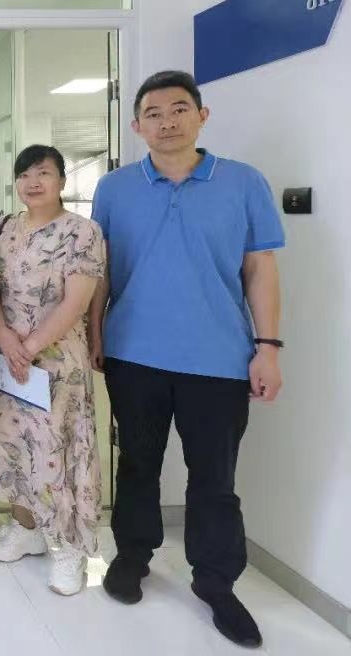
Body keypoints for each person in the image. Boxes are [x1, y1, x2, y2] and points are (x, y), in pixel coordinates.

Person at [90, 70, 284, 648]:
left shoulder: (242, 182)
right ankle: (132, 556)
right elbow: (101, 270)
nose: (167, 122)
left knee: (214, 479)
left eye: (179, 109)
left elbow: (260, 269)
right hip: (133, 355)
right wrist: (96, 333)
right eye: (153, 113)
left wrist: (268, 348)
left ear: (202, 116)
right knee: (137, 464)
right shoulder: (115, 188)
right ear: (136, 126)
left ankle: (216, 581)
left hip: (219, 358)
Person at [0, 144, 105, 596]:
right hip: (12, 360)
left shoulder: (82, 231)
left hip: (57, 363)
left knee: (59, 448)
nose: (33, 182)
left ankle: (69, 546)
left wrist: (29, 346)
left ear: (61, 180)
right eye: (24, 175)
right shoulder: (7, 229)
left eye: (44, 173)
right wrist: (3, 335)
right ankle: (26, 527)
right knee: (16, 445)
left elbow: (77, 302)